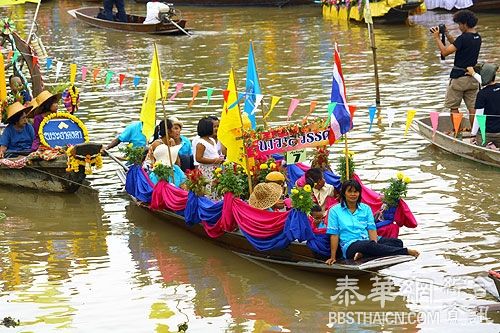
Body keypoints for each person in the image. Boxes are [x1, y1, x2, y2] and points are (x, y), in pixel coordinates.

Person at [325, 180, 419, 265]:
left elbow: (371, 229)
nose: (353, 194)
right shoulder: (335, 210)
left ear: (359, 193)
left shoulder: (365, 208)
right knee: (368, 245)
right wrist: (333, 257)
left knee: (397, 242)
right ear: (344, 193)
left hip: (367, 240)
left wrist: (374, 245)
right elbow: (334, 235)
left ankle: (364, 254)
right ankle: (405, 251)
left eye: (356, 191)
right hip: (350, 245)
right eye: (350, 191)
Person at [431, 10, 481, 130]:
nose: (459, 27)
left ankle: (457, 131)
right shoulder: (477, 37)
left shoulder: (463, 38)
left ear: (465, 24)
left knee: (454, 107)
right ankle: (475, 134)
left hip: (458, 78)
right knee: (472, 108)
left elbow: (445, 52)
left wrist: (437, 38)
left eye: (459, 24)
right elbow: (458, 45)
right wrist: (447, 34)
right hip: (472, 77)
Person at [466, 64, 500, 148]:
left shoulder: (482, 94)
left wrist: (473, 135)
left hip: (486, 134)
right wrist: (474, 74)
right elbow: (487, 83)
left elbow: (479, 117)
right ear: (494, 76)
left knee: (479, 145)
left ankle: (488, 145)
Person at [146, 119, 186, 187]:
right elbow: (150, 160)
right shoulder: (157, 144)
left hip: (173, 170)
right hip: (159, 172)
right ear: (168, 131)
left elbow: (177, 161)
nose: (176, 131)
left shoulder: (172, 142)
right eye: (174, 128)